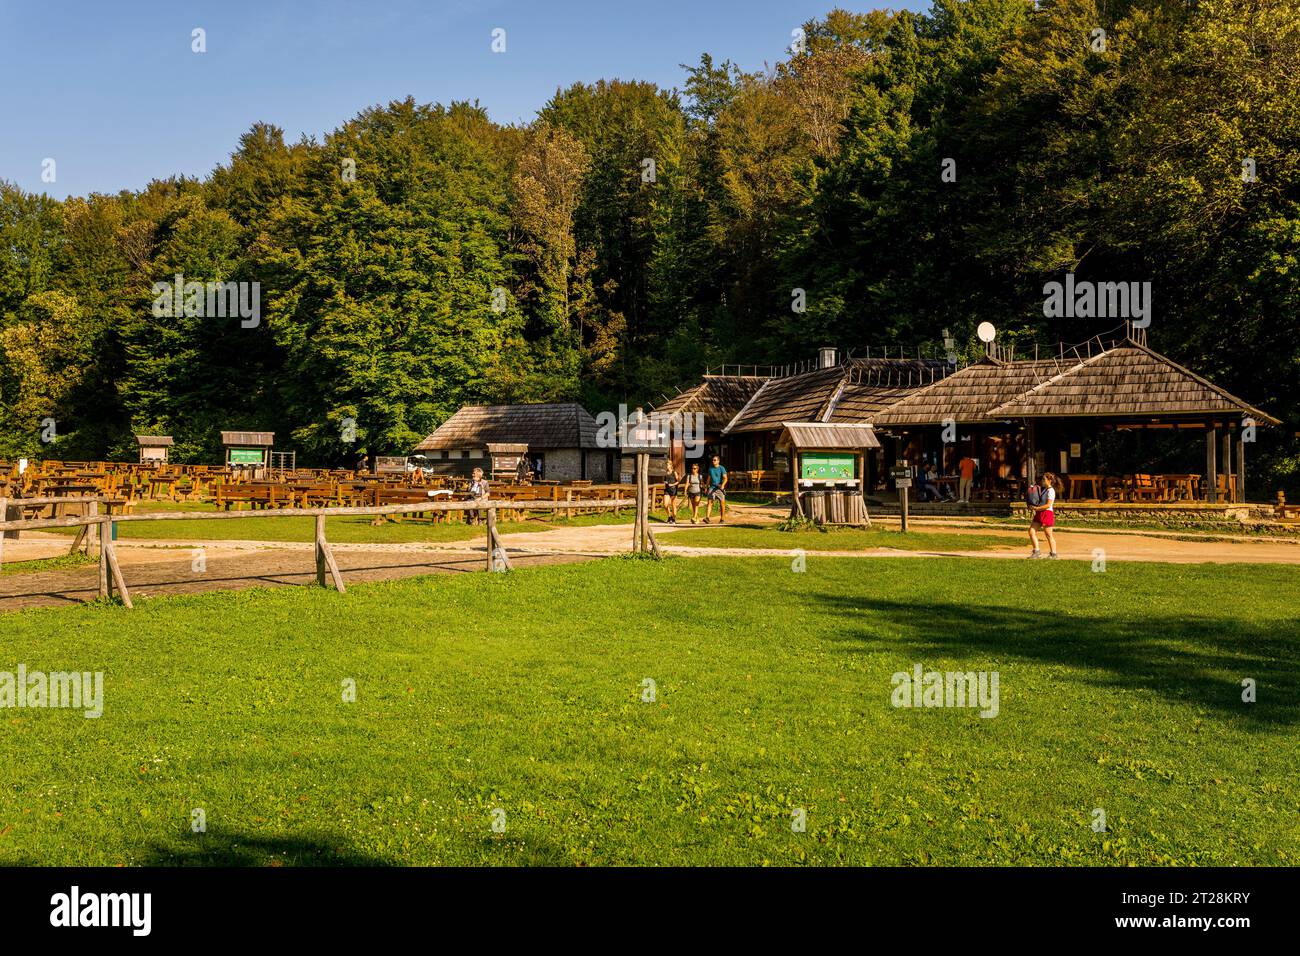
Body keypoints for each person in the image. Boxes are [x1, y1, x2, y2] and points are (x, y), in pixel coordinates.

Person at [1027, 471, 1059, 559]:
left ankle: (1054, 554)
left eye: (1044, 479)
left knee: (1048, 534)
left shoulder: (1051, 491)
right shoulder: (1043, 489)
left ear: (1049, 480)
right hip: (1039, 513)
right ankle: (1036, 551)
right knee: (1031, 531)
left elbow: (1048, 505)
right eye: (1042, 479)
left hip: (1047, 513)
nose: (1042, 481)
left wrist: (1036, 508)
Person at [703, 455, 728, 523]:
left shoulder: (721, 468)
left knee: (722, 504)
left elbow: (725, 478)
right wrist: (706, 487)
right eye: (713, 460)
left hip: (720, 488)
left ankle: (722, 519)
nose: (713, 461)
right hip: (712, 487)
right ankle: (707, 518)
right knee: (709, 503)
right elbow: (709, 478)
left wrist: (722, 485)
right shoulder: (711, 469)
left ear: (718, 461)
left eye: (715, 460)